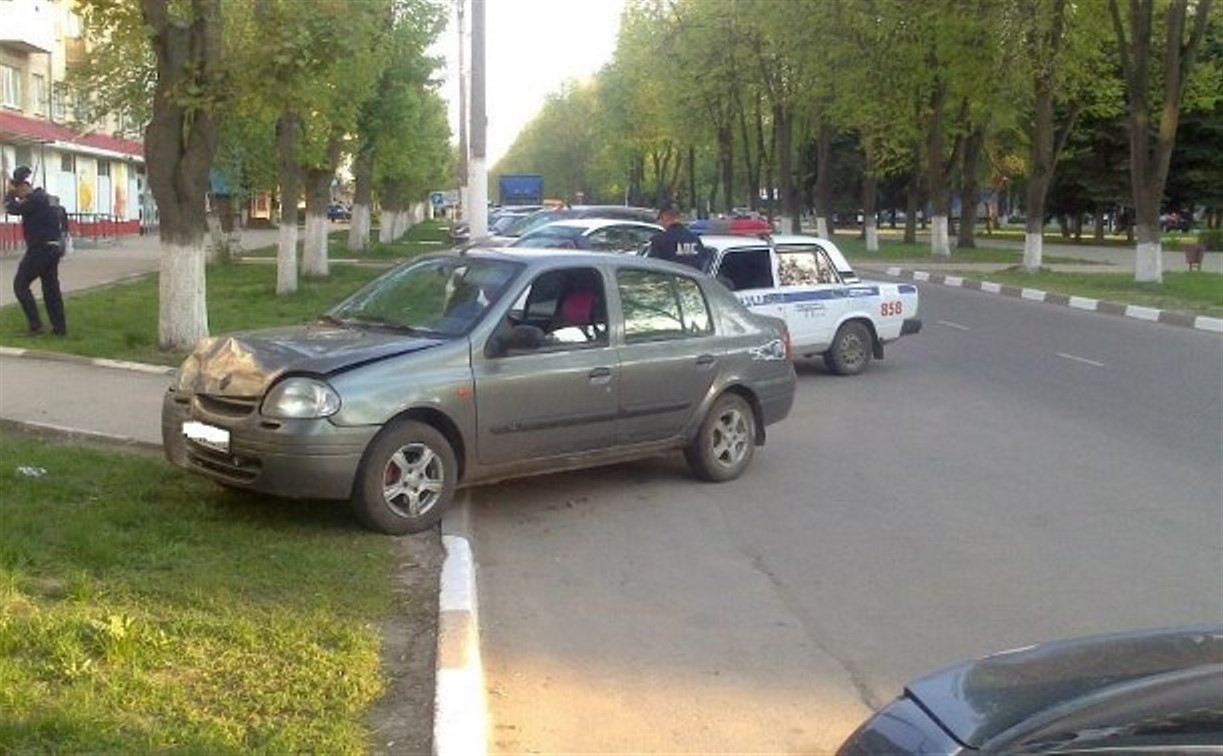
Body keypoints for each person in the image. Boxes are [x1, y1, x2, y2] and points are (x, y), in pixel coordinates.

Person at [4, 166, 67, 336]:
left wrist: (9, 195)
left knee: (20, 285)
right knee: (51, 289)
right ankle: (60, 329)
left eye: (18, 192)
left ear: (23, 186)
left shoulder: (35, 200)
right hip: (53, 248)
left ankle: (36, 326)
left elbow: (12, 208)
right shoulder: (44, 198)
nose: (18, 196)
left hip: (40, 249)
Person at [645, 200, 710, 271]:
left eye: (660, 219)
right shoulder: (695, 239)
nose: (660, 223)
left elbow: (652, 268)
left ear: (664, 216)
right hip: (693, 281)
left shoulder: (659, 241)